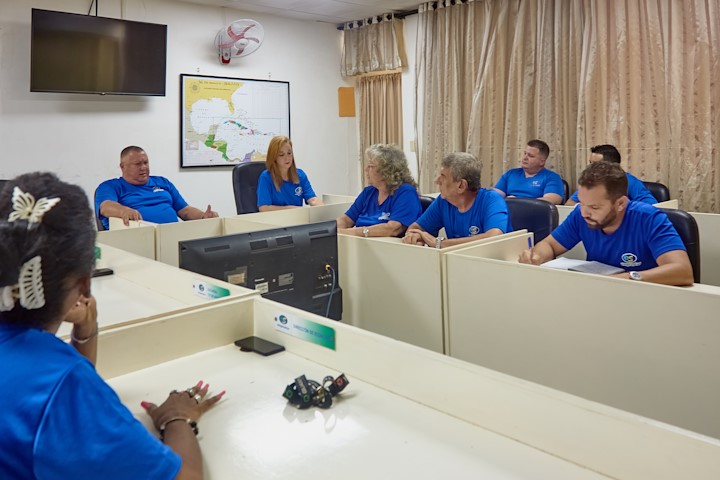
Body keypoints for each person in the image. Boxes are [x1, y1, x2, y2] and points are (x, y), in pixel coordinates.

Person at [0, 172, 224, 479]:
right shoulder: (61, 384)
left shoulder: (50, 372)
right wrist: (176, 418)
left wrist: (86, 332)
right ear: (85, 283)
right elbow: (188, 477)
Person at [519, 161, 693, 286]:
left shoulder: (649, 218)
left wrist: (625, 279)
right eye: (582, 203)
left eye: (595, 207)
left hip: (643, 296)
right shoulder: (581, 214)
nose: (585, 212)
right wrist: (537, 256)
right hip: (599, 295)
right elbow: (550, 245)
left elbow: (683, 271)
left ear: (620, 203)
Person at [403, 152, 511, 248]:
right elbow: (415, 228)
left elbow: (493, 239)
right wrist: (414, 237)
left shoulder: (492, 200)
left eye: (443, 176)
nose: (437, 181)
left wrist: (439, 243)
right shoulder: (444, 201)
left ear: (461, 186)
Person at [95, 146, 219, 229]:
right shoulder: (110, 186)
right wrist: (124, 211)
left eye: (145, 163)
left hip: (172, 237)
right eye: (137, 164)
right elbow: (105, 206)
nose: (143, 167)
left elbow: (185, 210)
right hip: (137, 240)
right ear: (123, 166)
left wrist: (203, 216)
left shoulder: (162, 182)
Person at [337, 144, 422, 237]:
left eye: (371, 166)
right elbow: (346, 220)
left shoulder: (406, 192)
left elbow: (393, 229)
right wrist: (334, 230)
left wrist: (352, 232)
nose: (366, 170)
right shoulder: (368, 192)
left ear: (386, 171)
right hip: (361, 242)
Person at [565, 144, 658, 206]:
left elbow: (652, 205)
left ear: (611, 166)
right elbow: (569, 204)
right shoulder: (590, 182)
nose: (590, 167)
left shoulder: (629, 181)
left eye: (595, 164)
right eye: (590, 163)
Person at [257, 136, 323, 211]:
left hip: (297, 217)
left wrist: (324, 209)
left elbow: (313, 199)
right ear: (274, 157)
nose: (287, 158)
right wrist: (291, 209)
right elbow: (264, 208)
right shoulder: (266, 177)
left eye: (289, 153)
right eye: (281, 155)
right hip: (277, 218)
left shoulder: (300, 175)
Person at [493, 139, 564, 204]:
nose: (525, 158)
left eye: (530, 156)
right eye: (525, 153)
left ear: (542, 162)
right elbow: (494, 196)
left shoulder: (551, 177)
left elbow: (551, 200)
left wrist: (517, 202)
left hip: (534, 212)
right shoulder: (511, 174)